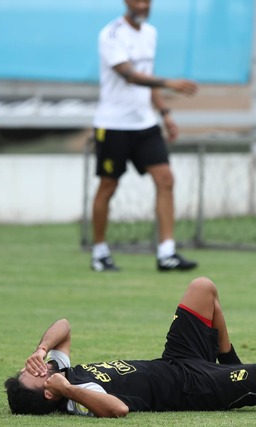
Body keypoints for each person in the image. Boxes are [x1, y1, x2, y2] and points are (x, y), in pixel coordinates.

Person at [4, 276, 256, 417]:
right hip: (189, 385)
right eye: (36, 374)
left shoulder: (61, 371)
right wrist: (67, 390)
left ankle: (230, 364)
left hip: (175, 360)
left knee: (203, 288)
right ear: (47, 391)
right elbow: (119, 410)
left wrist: (42, 350)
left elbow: (64, 324)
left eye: (36, 365)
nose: (38, 366)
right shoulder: (79, 397)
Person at [90, 0, 198, 272]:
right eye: (138, 0)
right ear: (127, 2)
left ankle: (166, 252)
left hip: (145, 124)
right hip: (113, 125)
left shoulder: (150, 33)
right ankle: (100, 252)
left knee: (165, 179)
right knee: (108, 186)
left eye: (148, 1)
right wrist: (169, 82)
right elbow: (129, 75)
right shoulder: (111, 34)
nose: (143, 5)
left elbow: (146, 79)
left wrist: (165, 113)